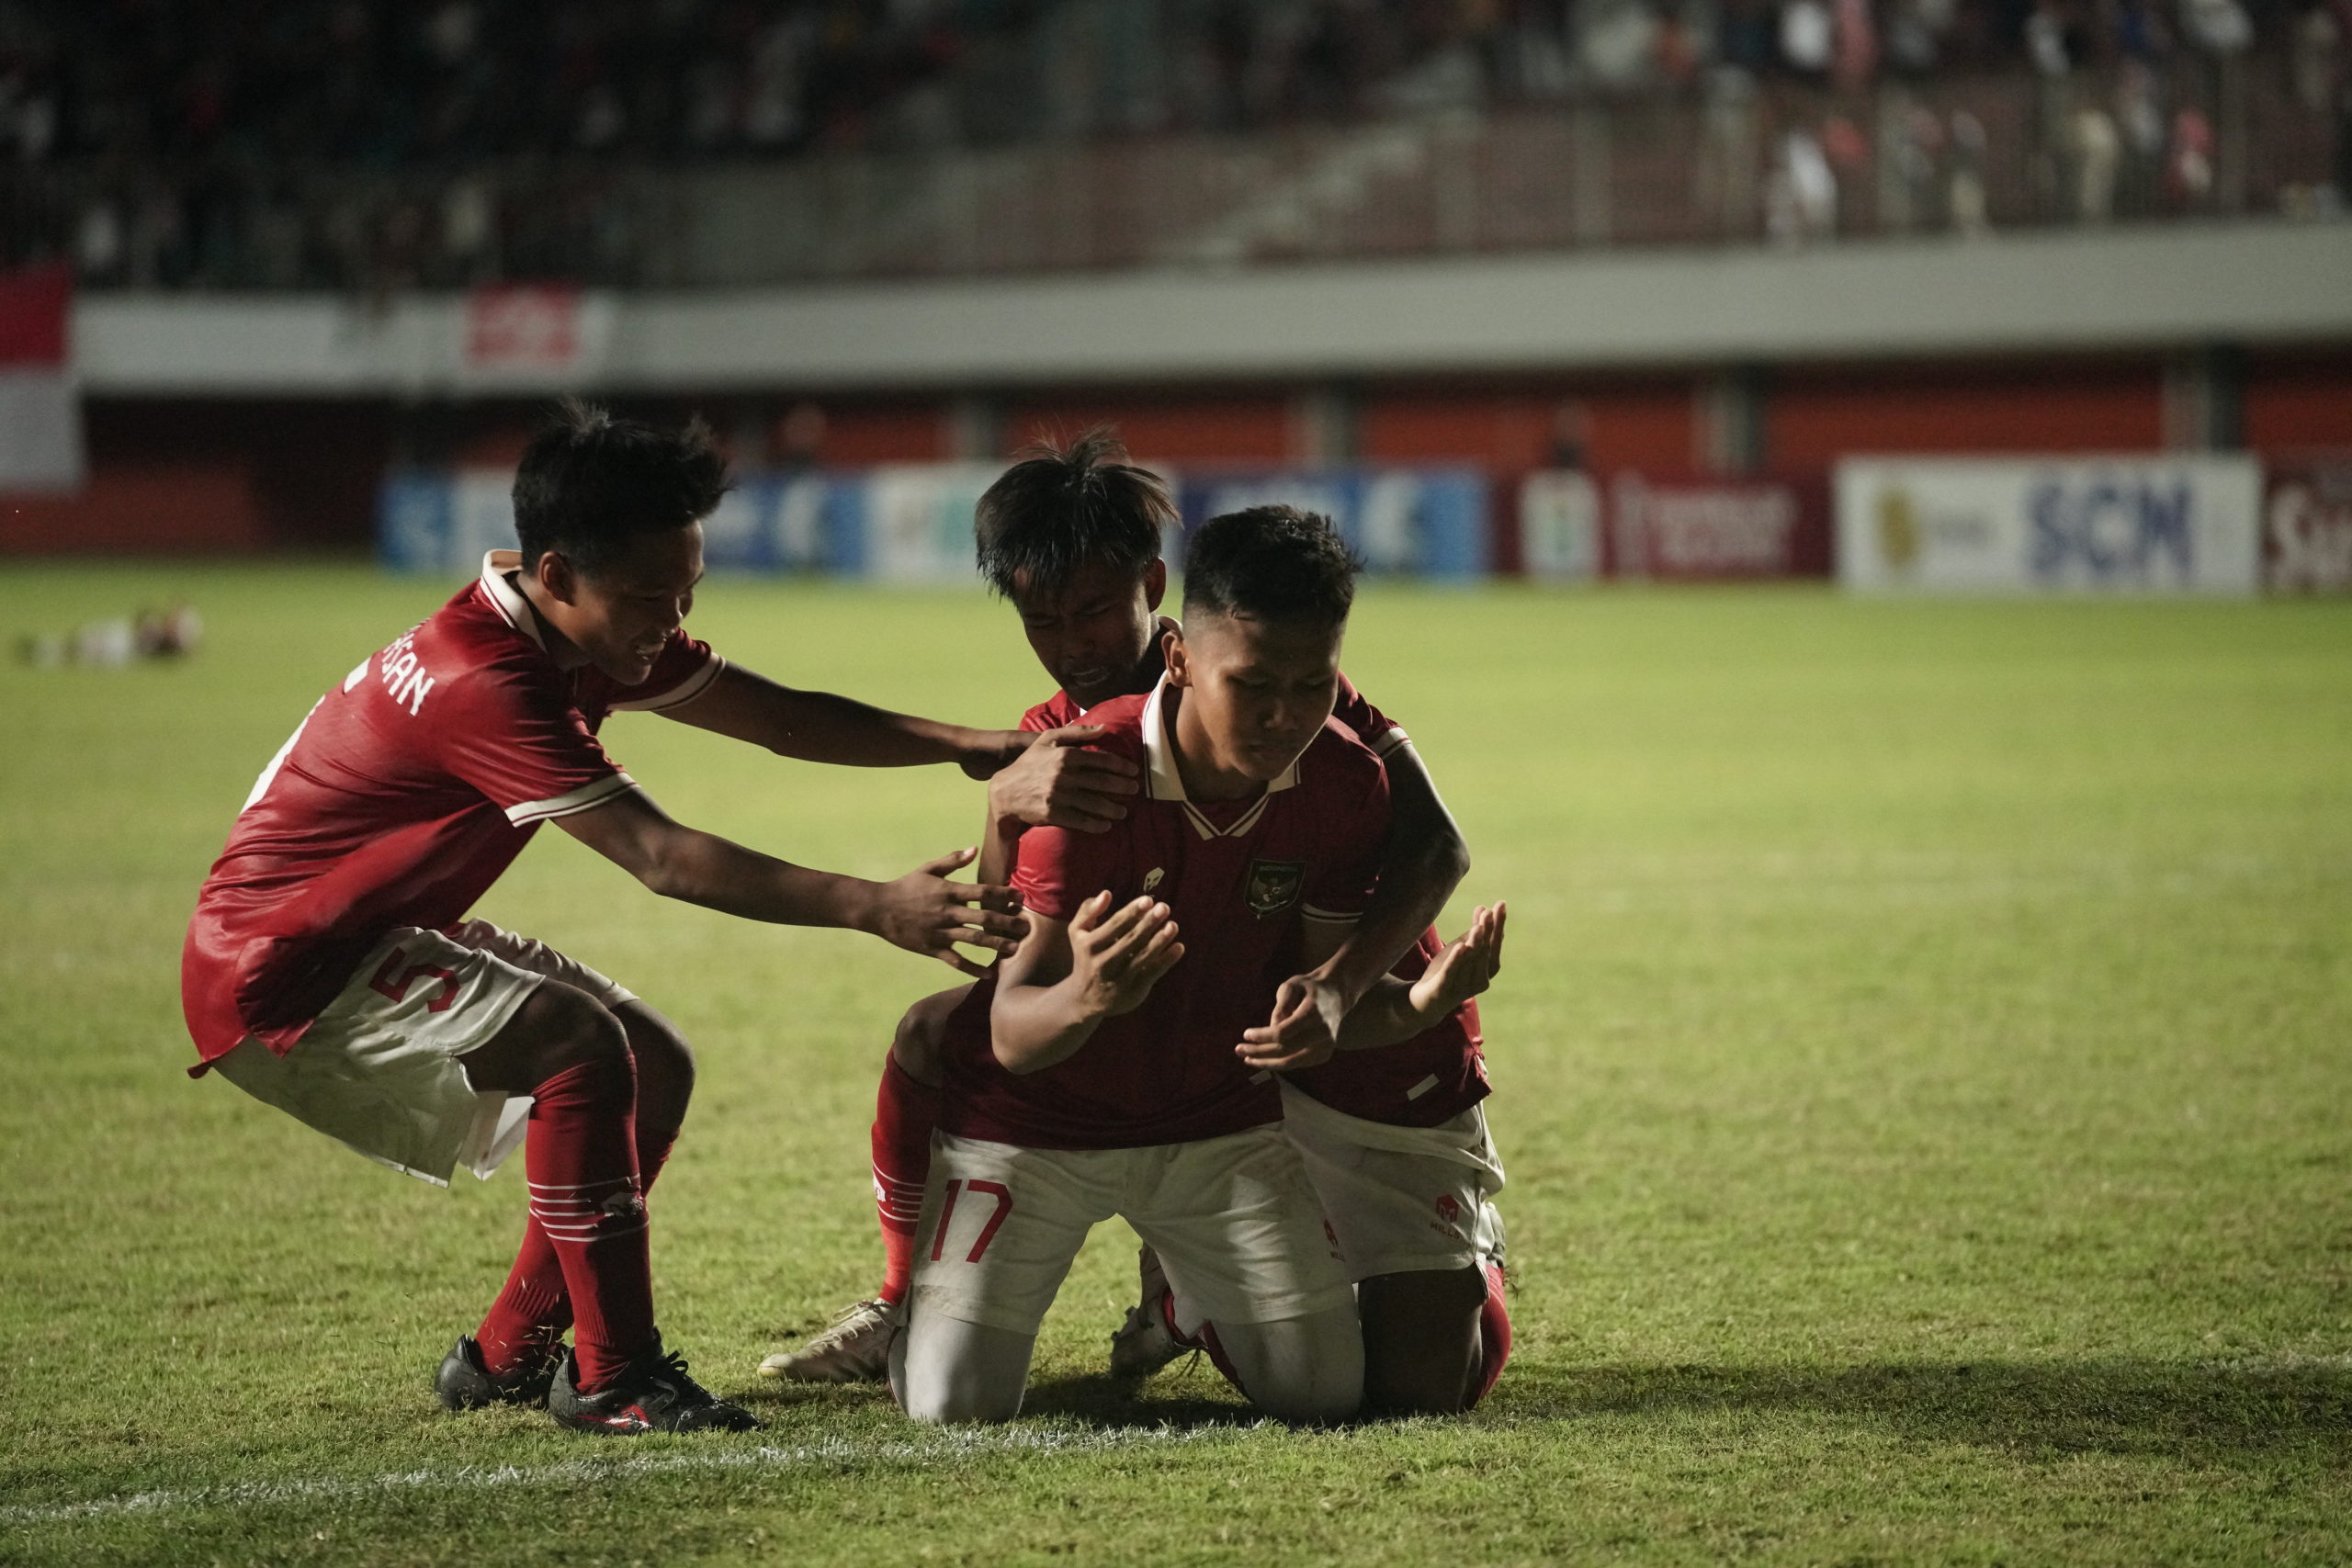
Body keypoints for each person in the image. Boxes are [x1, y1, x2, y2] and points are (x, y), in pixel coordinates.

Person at [181, 401, 1032, 1437]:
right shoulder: (484, 680)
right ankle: (616, 1376)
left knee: (648, 1062)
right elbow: (662, 858)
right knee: (579, 1046)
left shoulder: (583, 634)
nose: (668, 623)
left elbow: (776, 717)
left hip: (367, 933)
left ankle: (504, 1359)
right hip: (282, 966)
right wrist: (873, 905)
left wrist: (965, 743)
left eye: (686, 593)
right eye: (647, 599)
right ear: (553, 575)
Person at [762, 434, 1510, 1416]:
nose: (1071, 640)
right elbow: (1008, 948)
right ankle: (909, 1301)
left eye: (1091, 609)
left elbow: (1437, 848)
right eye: (1042, 618)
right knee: (937, 1035)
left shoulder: (1276, 690)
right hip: (1222, 1046)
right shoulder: (1061, 742)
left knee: (1427, 1386)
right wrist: (1000, 810)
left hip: (1361, 1041)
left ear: (1153, 589)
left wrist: (1355, 991)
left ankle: (1405, 1273)